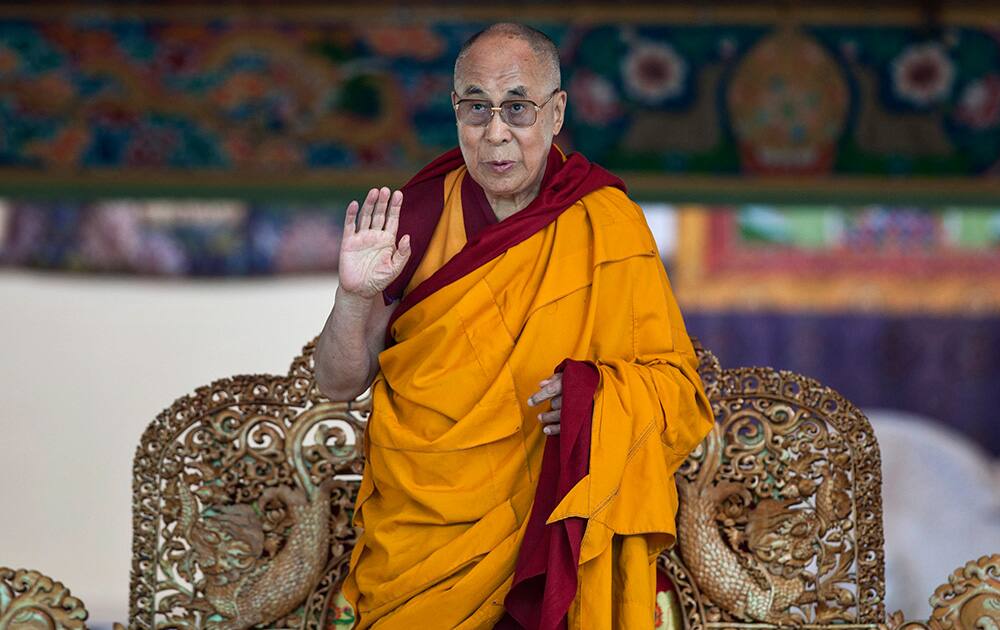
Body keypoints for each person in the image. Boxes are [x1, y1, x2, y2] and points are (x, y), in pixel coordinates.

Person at [314, 22, 714, 630]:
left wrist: (595, 402)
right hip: (420, 547)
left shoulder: (607, 222)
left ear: (555, 114)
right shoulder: (417, 215)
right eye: (476, 108)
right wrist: (351, 296)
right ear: (455, 112)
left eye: (517, 108)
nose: (495, 133)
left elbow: (679, 393)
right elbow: (339, 383)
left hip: (554, 532)